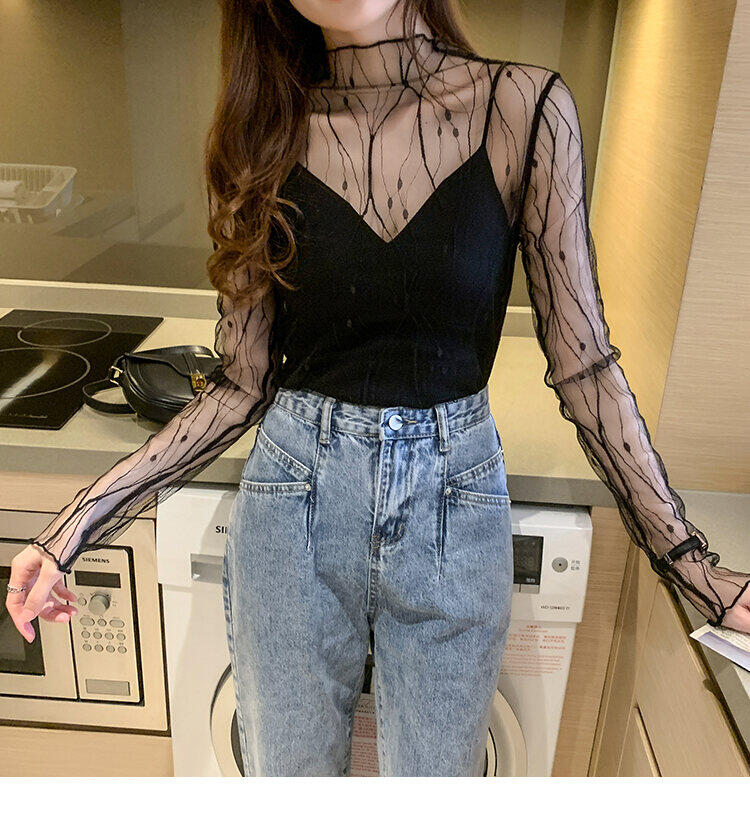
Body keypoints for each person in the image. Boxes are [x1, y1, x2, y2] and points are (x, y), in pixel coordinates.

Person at [6, 0, 750, 776]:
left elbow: (583, 363)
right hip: (292, 503)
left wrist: (692, 566)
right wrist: (69, 530)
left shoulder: (523, 109)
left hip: (455, 506)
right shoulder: (261, 136)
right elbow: (242, 384)